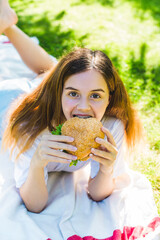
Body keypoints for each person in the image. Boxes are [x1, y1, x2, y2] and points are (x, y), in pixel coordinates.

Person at [0, 2, 159, 240]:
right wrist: (37, 165)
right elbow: (34, 206)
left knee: (52, 70)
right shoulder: (31, 127)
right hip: (8, 97)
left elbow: (97, 194)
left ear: (109, 99)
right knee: (47, 73)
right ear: (59, 93)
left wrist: (106, 170)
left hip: (49, 91)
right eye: (73, 93)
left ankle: (7, 23)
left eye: (95, 95)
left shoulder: (110, 126)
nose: (84, 107)